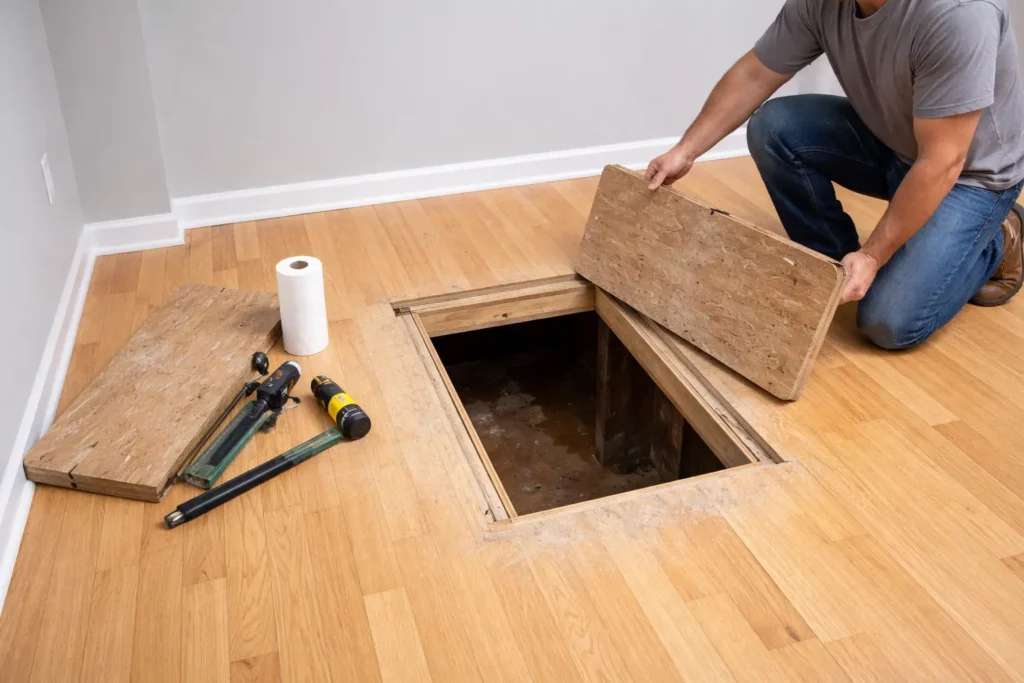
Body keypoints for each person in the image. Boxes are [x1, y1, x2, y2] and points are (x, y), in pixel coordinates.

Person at [646, 0, 1024, 350]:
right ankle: (835, 266)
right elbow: (755, 74)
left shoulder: (958, 14)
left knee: (889, 322)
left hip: (969, 176)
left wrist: (875, 255)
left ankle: (999, 237)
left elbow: (943, 161)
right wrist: (686, 151)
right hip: (893, 144)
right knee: (774, 128)